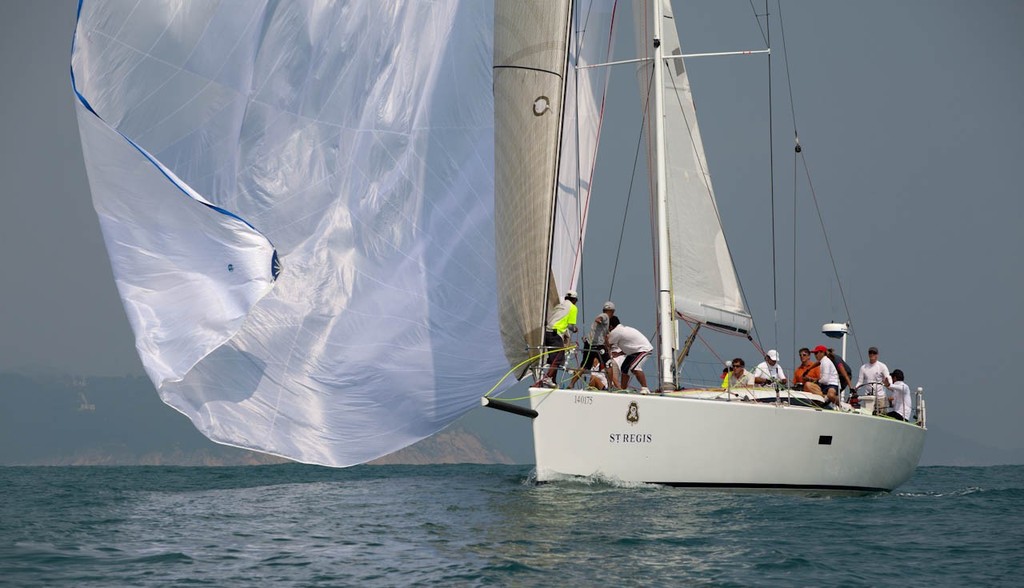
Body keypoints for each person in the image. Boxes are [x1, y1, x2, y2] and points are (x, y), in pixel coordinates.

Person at [570, 301, 616, 388]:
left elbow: (605, 335)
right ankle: (610, 386)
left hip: (589, 344)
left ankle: (571, 384)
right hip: (598, 346)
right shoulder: (605, 316)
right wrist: (599, 319)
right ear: (612, 311)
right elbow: (601, 317)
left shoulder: (604, 321)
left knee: (584, 366)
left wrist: (608, 346)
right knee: (609, 364)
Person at [539, 290, 578, 387]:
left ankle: (553, 381)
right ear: (574, 300)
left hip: (547, 333)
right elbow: (570, 326)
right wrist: (575, 329)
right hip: (556, 334)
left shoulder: (559, 306)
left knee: (553, 359)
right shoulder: (573, 308)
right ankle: (548, 378)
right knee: (558, 357)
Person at [606, 316, 653, 394]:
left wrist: (604, 335)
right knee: (624, 368)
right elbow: (630, 344)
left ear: (610, 326)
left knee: (634, 367)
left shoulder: (616, 331)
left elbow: (607, 344)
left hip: (643, 350)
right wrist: (620, 353)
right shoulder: (621, 329)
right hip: (635, 351)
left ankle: (645, 388)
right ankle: (623, 389)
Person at [855, 346, 892, 413]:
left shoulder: (882, 366)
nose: (872, 354)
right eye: (870, 352)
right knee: (866, 414)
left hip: (880, 397)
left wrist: (889, 384)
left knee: (880, 415)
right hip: (868, 397)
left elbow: (888, 378)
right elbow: (860, 382)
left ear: (877, 355)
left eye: (874, 353)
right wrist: (855, 389)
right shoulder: (863, 367)